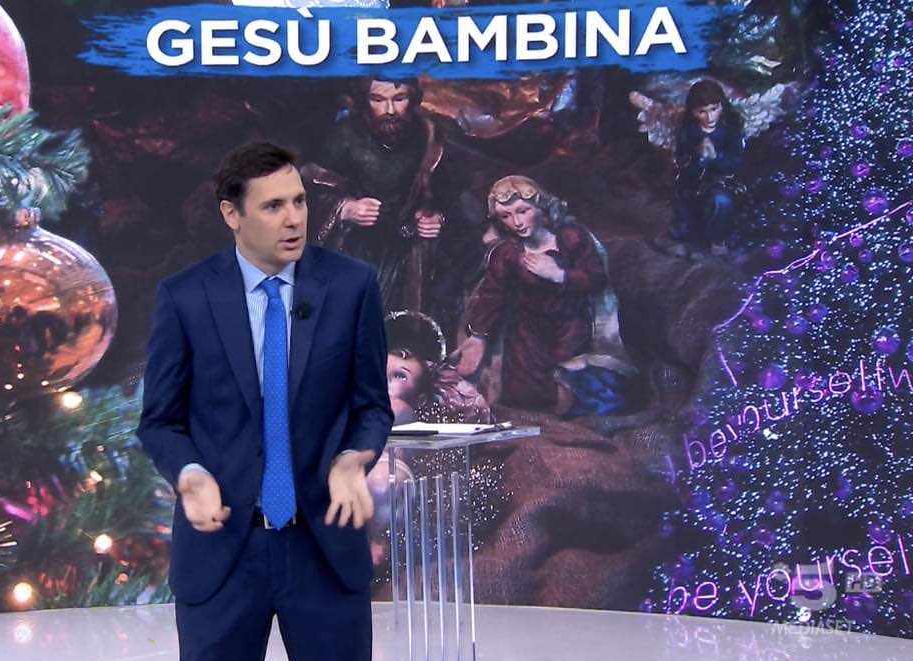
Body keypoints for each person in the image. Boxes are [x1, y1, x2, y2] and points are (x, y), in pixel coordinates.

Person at [136, 141, 393, 661]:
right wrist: (190, 475)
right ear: (232, 214)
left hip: (323, 549)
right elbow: (160, 421)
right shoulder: (185, 297)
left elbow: (372, 407)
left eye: (299, 201)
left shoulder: (351, 286)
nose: (294, 219)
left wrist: (353, 459)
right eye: (273, 206)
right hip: (223, 552)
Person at [302, 77, 494, 340]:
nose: (390, 110)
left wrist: (436, 218)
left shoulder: (430, 136)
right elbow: (306, 190)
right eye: (378, 100)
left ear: (413, 100)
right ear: (364, 101)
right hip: (353, 248)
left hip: (409, 253)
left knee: (404, 331)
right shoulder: (344, 136)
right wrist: (344, 208)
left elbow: (454, 196)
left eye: (399, 99)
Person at [455, 175, 633, 415]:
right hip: (526, 332)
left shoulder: (571, 239)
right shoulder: (507, 253)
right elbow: (491, 296)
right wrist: (478, 337)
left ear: (541, 206)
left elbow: (596, 279)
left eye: (523, 211)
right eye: (506, 216)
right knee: (523, 394)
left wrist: (559, 275)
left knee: (579, 383)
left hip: (571, 325)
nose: (516, 222)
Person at [667, 80, 745, 260]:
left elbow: (735, 162)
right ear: (692, 111)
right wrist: (700, 157)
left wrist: (716, 157)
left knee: (722, 201)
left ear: (722, 105)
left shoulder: (731, 128)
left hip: (723, 181)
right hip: (692, 183)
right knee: (684, 205)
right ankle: (687, 239)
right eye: (702, 111)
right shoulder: (688, 131)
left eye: (714, 109)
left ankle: (717, 240)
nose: (709, 117)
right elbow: (682, 163)